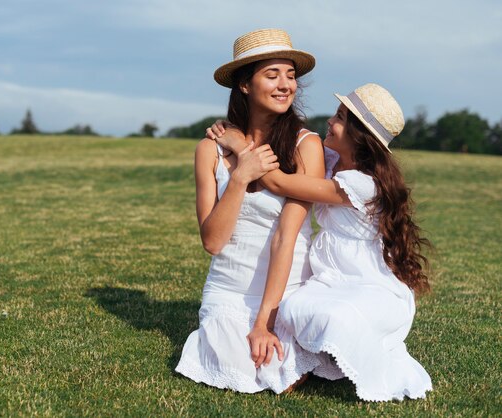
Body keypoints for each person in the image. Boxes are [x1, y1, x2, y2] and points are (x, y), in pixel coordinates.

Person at [206, 83, 433, 401]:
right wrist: (239, 127)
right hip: (331, 275)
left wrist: (239, 144)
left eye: (340, 117)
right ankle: (314, 359)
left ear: (358, 135)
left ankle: (343, 356)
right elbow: (288, 148)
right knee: (296, 308)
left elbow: (276, 180)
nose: (329, 121)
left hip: (368, 282)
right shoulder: (330, 160)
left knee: (330, 316)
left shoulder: (362, 185)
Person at [175, 28, 325, 393]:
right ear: (244, 84)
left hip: (286, 288)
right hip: (228, 289)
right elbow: (212, 241)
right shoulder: (209, 150)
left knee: (278, 376)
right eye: (272, 75)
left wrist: (264, 321)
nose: (285, 85)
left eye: (290, 76)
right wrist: (240, 176)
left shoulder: (307, 145)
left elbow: (286, 238)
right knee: (238, 369)